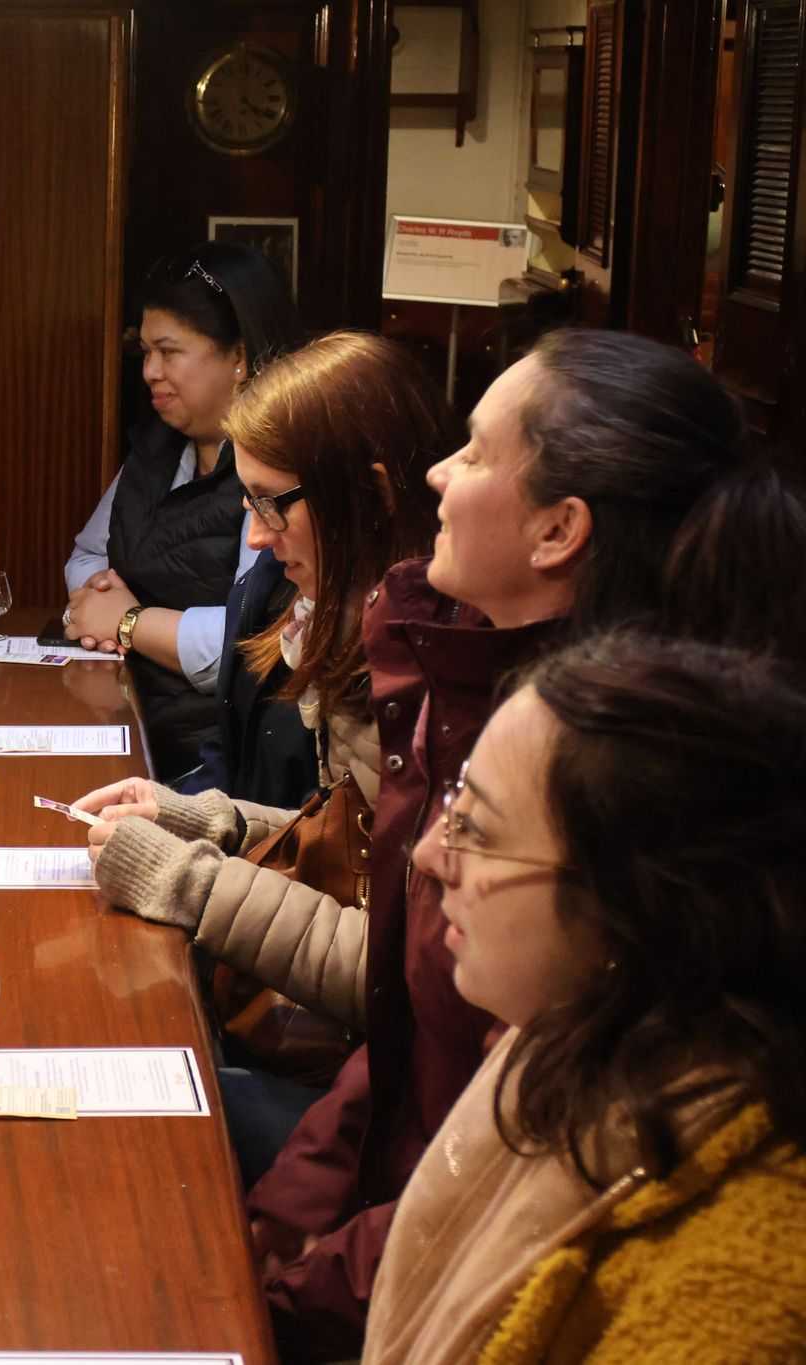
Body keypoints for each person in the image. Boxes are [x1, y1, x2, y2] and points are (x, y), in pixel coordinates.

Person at [82, 327, 805, 1360]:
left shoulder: (580, 747)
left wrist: (271, 1288)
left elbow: (451, 1103)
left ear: (558, 529)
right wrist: (273, 1248)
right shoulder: (465, 670)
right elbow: (409, 1037)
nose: (436, 472)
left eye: (469, 451)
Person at [365, 632, 806, 1361]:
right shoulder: (563, 1045)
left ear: (635, 904)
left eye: (475, 827)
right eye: (454, 800)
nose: (430, 854)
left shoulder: (736, 1291)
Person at [74, 331, 450, 1181]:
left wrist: (187, 877)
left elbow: (395, 967)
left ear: (373, 494)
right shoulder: (355, 617)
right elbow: (350, 845)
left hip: (398, 1113)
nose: (253, 538)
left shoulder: (437, 673)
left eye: (273, 505)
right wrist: (203, 817)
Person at [60, 242, 306, 780]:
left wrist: (128, 622)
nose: (149, 371)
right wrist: (104, 601)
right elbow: (85, 556)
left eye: (169, 352)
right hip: (130, 717)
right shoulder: (160, 447)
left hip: (209, 759)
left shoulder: (275, 472)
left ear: (238, 356)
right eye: (144, 351)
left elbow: (254, 643)